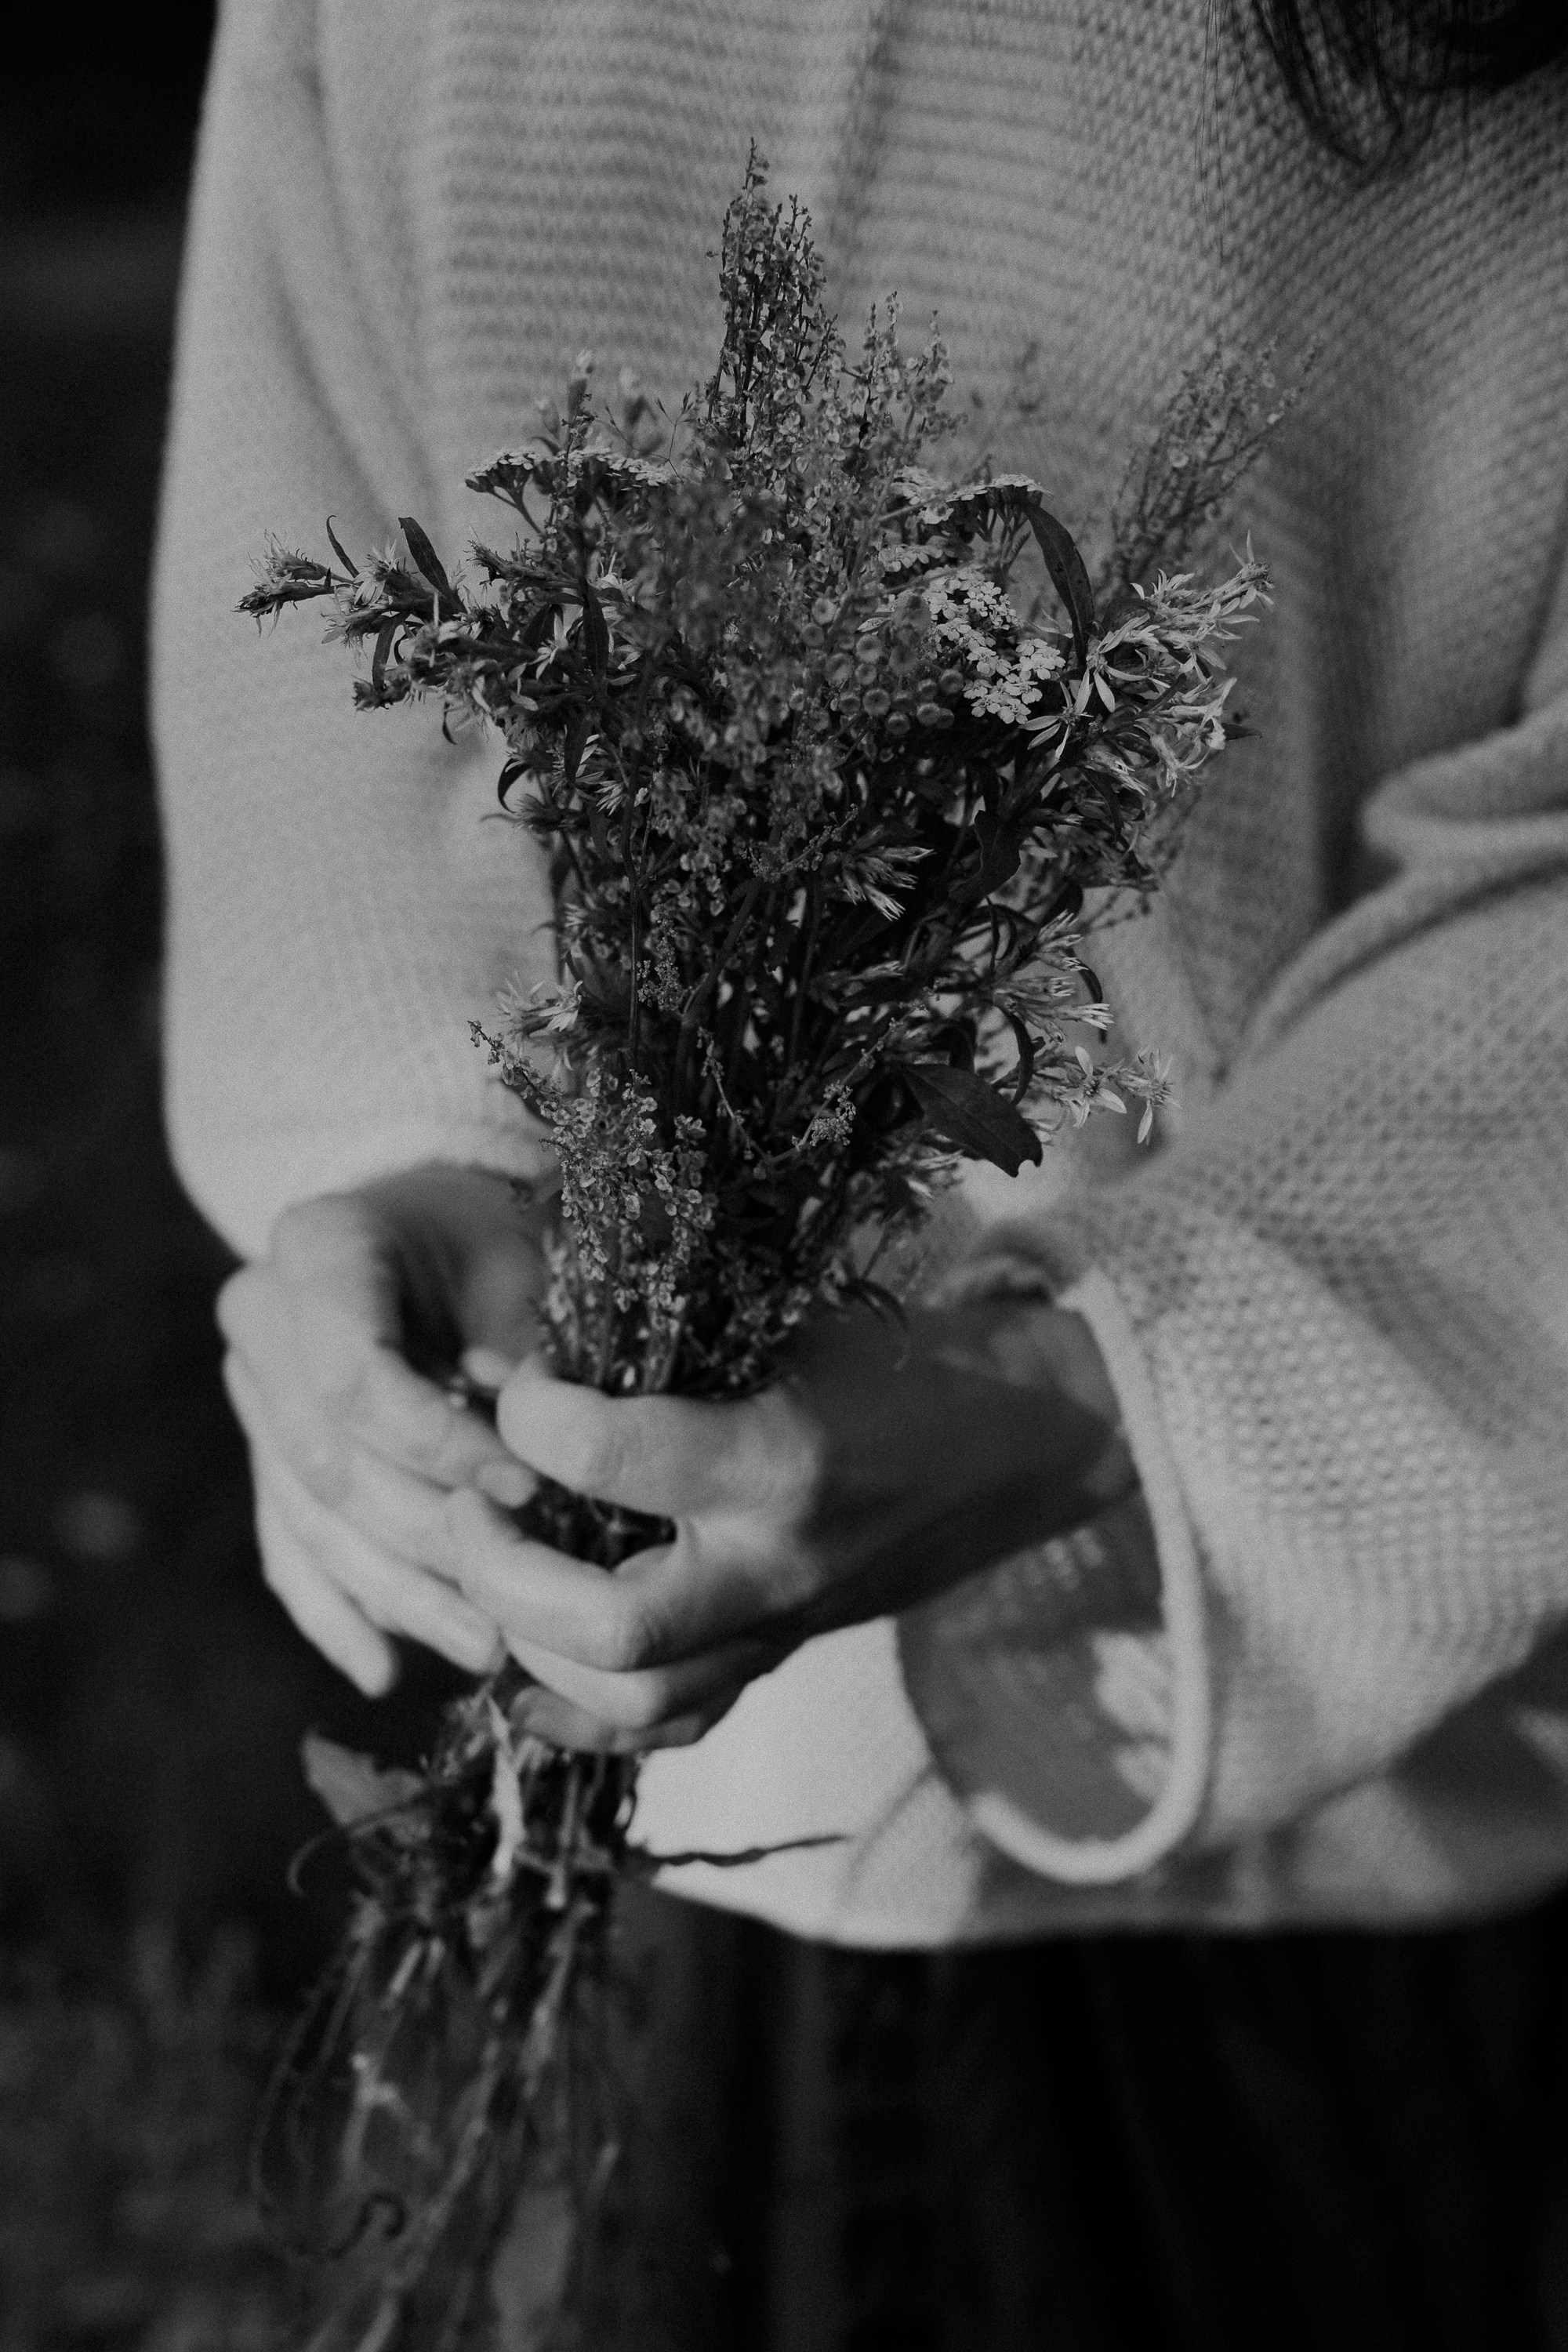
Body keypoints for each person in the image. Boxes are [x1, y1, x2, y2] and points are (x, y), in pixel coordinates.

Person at [154, 3, 1568, 2342]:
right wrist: (418, 1168)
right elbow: (312, 480)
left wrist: (1088, 1395)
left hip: (1297, 1804)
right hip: (636, 1756)